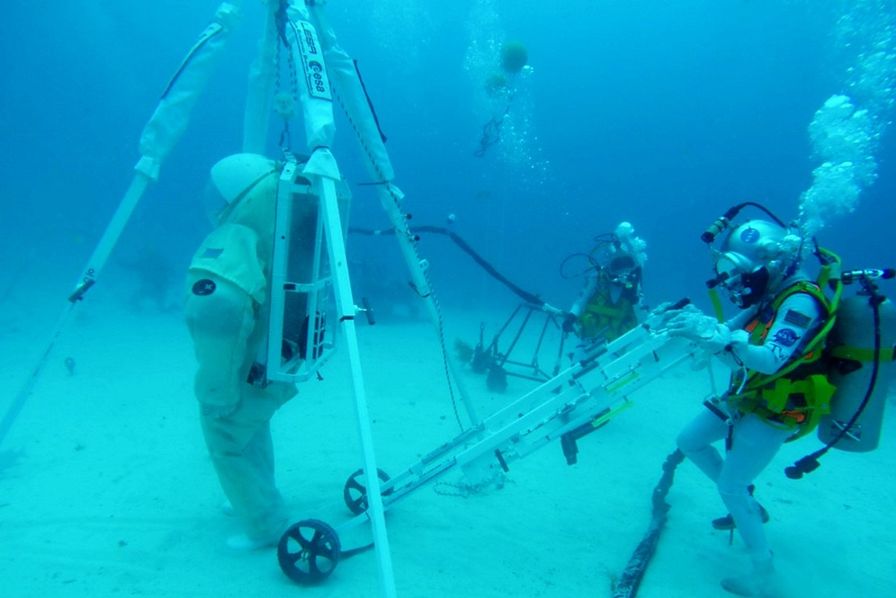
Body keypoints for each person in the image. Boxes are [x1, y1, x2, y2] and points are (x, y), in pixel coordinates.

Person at [662, 218, 835, 596]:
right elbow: (729, 333)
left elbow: (770, 359)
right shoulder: (771, 294)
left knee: (731, 485)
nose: (737, 283)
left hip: (778, 408)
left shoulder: (800, 300)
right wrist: (700, 329)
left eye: (741, 272)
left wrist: (722, 341)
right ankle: (749, 507)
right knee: (690, 441)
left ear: (770, 263)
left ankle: (764, 572)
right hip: (750, 394)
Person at [184, 153, 313, 551]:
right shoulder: (283, 220)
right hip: (279, 357)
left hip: (249, 365)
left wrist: (216, 392)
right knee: (253, 428)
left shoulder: (237, 235)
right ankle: (255, 496)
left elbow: (218, 312)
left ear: (240, 197)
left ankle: (264, 525)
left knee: (226, 437)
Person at [562, 221, 648, 350]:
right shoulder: (596, 278)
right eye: (617, 266)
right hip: (590, 339)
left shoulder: (634, 284)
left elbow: (640, 315)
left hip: (620, 342)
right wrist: (571, 317)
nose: (623, 271)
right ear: (609, 266)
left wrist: (635, 301)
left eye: (627, 265)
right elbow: (581, 300)